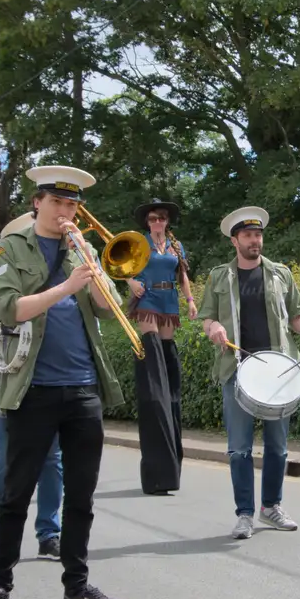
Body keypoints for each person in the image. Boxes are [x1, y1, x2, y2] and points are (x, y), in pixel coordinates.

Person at [0, 166, 129, 599]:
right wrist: (65, 285)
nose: (65, 212)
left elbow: (108, 308)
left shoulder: (81, 248)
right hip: (32, 386)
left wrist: (96, 272)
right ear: (37, 203)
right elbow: (8, 308)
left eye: (72, 205)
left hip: (82, 386)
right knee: (15, 494)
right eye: (57, 202)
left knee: (81, 496)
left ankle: (76, 588)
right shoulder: (12, 247)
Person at [197, 207, 300, 539]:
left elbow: (297, 316)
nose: (255, 241)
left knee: (278, 447)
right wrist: (214, 328)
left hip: (278, 372)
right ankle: (244, 514)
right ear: (234, 241)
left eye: (258, 235)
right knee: (239, 448)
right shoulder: (219, 277)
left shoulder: (281, 274)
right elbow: (206, 319)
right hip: (236, 370)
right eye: (247, 236)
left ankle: (271, 508)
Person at [0, 212, 65, 562]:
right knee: (3, 458)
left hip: (52, 378)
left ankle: (49, 533)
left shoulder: (66, 263)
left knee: (52, 460)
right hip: (12, 377)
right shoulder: (0, 276)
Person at [127, 197, 194, 495]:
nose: (157, 222)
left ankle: (168, 393)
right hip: (148, 297)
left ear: (167, 221)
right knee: (152, 350)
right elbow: (121, 266)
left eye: (162, 218)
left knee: (168, 355)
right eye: (153, 218)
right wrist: (131, 282)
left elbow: (183, 275)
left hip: (169, 301)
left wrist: (190, 301)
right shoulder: (139, 243)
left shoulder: (176, 246)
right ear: (147, 221)